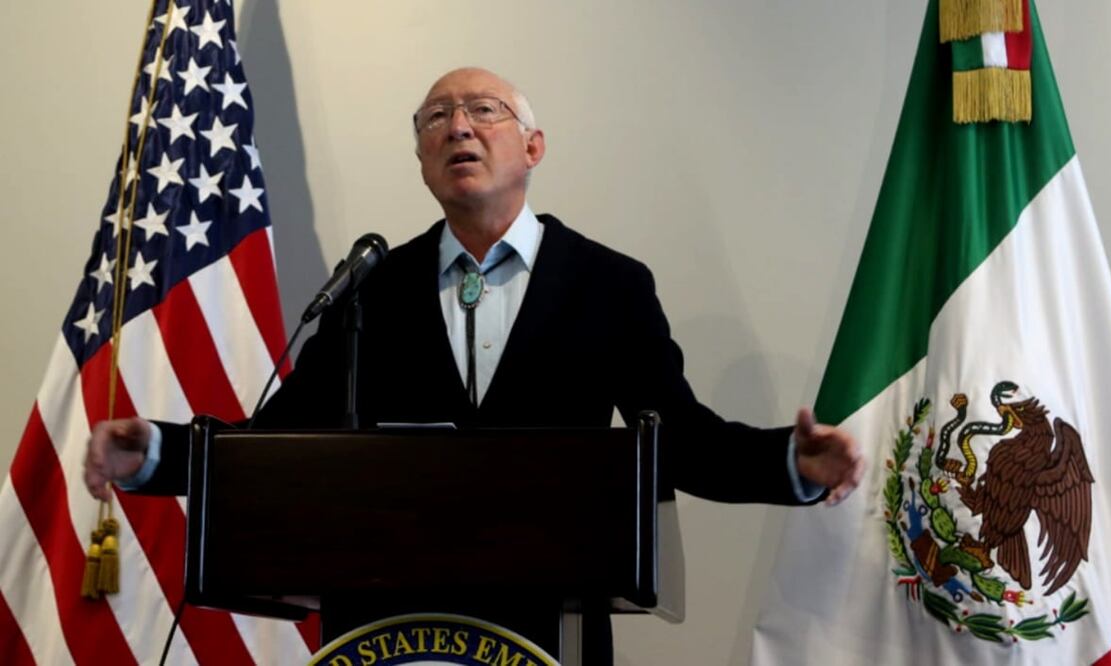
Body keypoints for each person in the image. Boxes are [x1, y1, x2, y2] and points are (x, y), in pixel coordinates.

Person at [84, 67, 864, 663]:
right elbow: (277, 440)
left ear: (532, 147)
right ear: (422, 158)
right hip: (385, 625)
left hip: (544, 619)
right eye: (436, 119)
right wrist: (153, 451)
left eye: (482, 111)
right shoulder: (372, 287)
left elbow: (680, 437)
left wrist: (788, 462)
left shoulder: (607, 284)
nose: (458, 126)